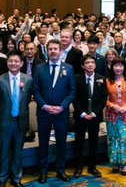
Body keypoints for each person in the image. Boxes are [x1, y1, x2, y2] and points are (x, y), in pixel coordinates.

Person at [33, 41, 74, 183]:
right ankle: (43, 171)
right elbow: (36, 90)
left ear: (60, 51)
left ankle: (60, 170)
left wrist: (62, 106)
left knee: (61, 143)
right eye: (50, 49)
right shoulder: (39, 68)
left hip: (61, 113)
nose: (53, 51)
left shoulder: (68, 69)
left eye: (55, 49)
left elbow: (72, 91)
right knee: (43, 143)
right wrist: (44, 106)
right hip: (44, 112)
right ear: (47, 52)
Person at [73, 57, 106, 177]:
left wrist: (94, 113)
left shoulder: (101, 79)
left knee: (94, 141)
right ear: (83, 66)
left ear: (95, 65)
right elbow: (74, 97)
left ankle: (92, 166)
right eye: (87, 63)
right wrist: (82, 113)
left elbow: (103, 98)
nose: (90, 65)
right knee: (79, 142)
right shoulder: (77, 78)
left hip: (94, 116)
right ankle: (78, 167)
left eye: (92, 62)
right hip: (80, 116)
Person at [104, 60, 126, 176]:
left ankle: (124, 163)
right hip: (111, 115)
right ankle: (115, 163)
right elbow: (103, 97)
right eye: (115, 65)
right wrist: (112, 106)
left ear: (124, 67)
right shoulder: (107, 81)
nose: (118, 68)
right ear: (112, 67)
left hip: (125, 115)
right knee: (113, 138)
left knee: (123, 138)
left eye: (120, 65)